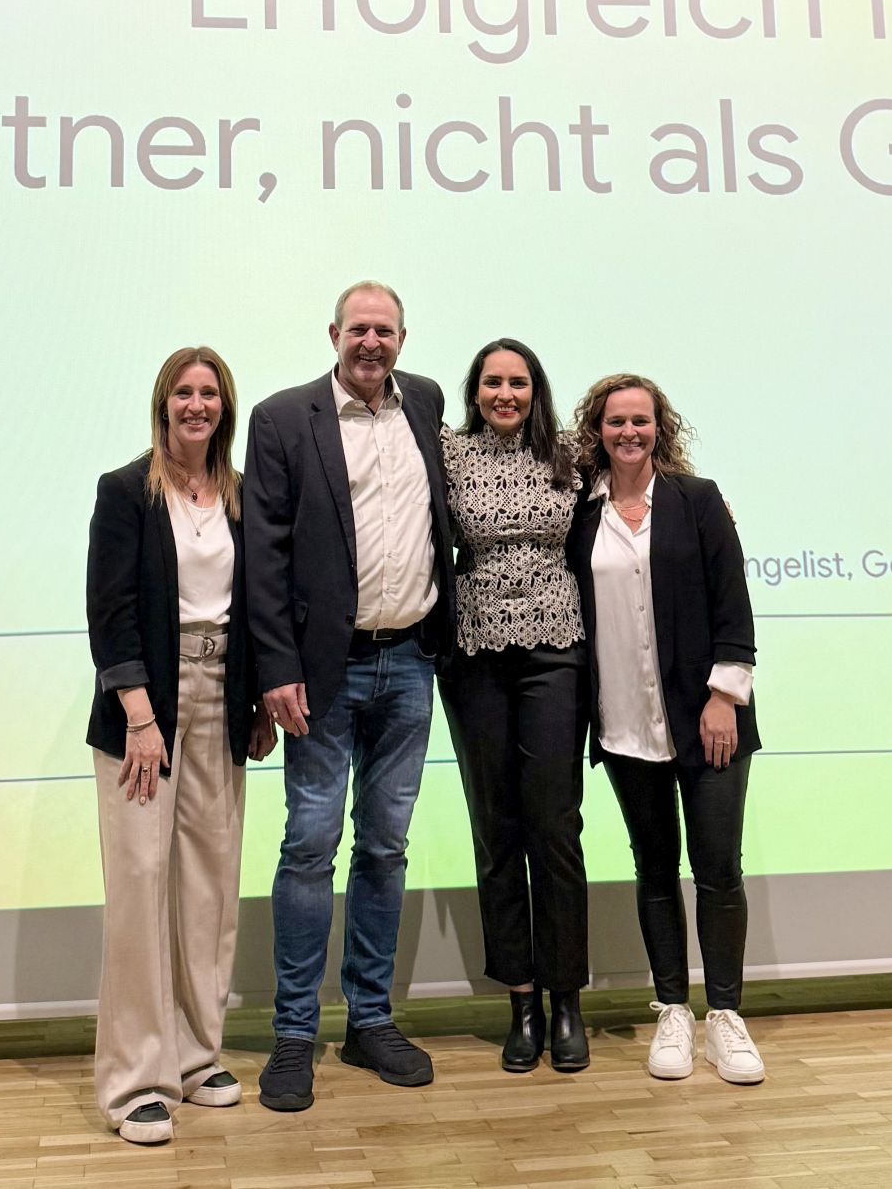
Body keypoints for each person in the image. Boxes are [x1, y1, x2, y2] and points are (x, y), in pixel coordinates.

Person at [244, 281, 456, 1113]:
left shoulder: (428, 405)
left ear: (403, 337)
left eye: (386, 330)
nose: (371, 342)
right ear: (333, 333)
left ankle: (370, 1020)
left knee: (386, 848)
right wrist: (273, 669)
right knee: (309, 845)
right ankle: (294, 1034)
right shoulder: (283, 417)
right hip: (320, 674)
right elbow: (263, 554)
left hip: (411, 662)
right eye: (358, 329)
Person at [84, 346, 276, 1145]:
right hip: (146, 712)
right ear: (163, 403)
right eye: (184, 393)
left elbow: (260, 602)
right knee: (140, 884)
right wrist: (139, 714)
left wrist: (260, 696)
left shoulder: (238, 496)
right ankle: (135, 1083)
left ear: (223, 408)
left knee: (209, 886)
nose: (197, 405)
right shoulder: (127, 491)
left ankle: (197, 1058)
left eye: (210, 394)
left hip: (221, 697)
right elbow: (111, 609)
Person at [564, 374, 766, 1086]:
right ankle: (674, 1011)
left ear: (660, 427)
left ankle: (727, 1018)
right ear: (596, 430)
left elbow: (732, 605)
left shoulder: (698, 500)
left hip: (708, 718)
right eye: (615, 422)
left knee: (718, 869)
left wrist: (724, 696)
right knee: (654, 870)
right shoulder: (579, 515)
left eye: (641, 421)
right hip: (623, 725)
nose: (629, 432)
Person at [437, 338, 591, 1072]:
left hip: (557, 651)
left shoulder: (572, 452)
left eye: (518, 382)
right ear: (474, 391)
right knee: (496, 827)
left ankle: (567, 1002)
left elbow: (640, 478)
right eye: (493, 382)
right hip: (473, 655)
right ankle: (521, 1003)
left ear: (537, 389)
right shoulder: (449, 453)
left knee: (555, 826)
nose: (506, 394)